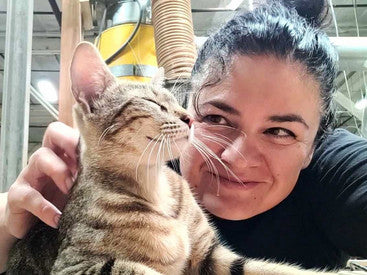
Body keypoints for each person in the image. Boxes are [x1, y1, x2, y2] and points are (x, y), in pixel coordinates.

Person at [1, 0, 367, 272]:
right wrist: (6, 228)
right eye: (217, 117)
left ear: (317, 145)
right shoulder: (157, 153)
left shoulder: (337, 171)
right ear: (190, 107)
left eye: (280, 131)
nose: (236, 158)